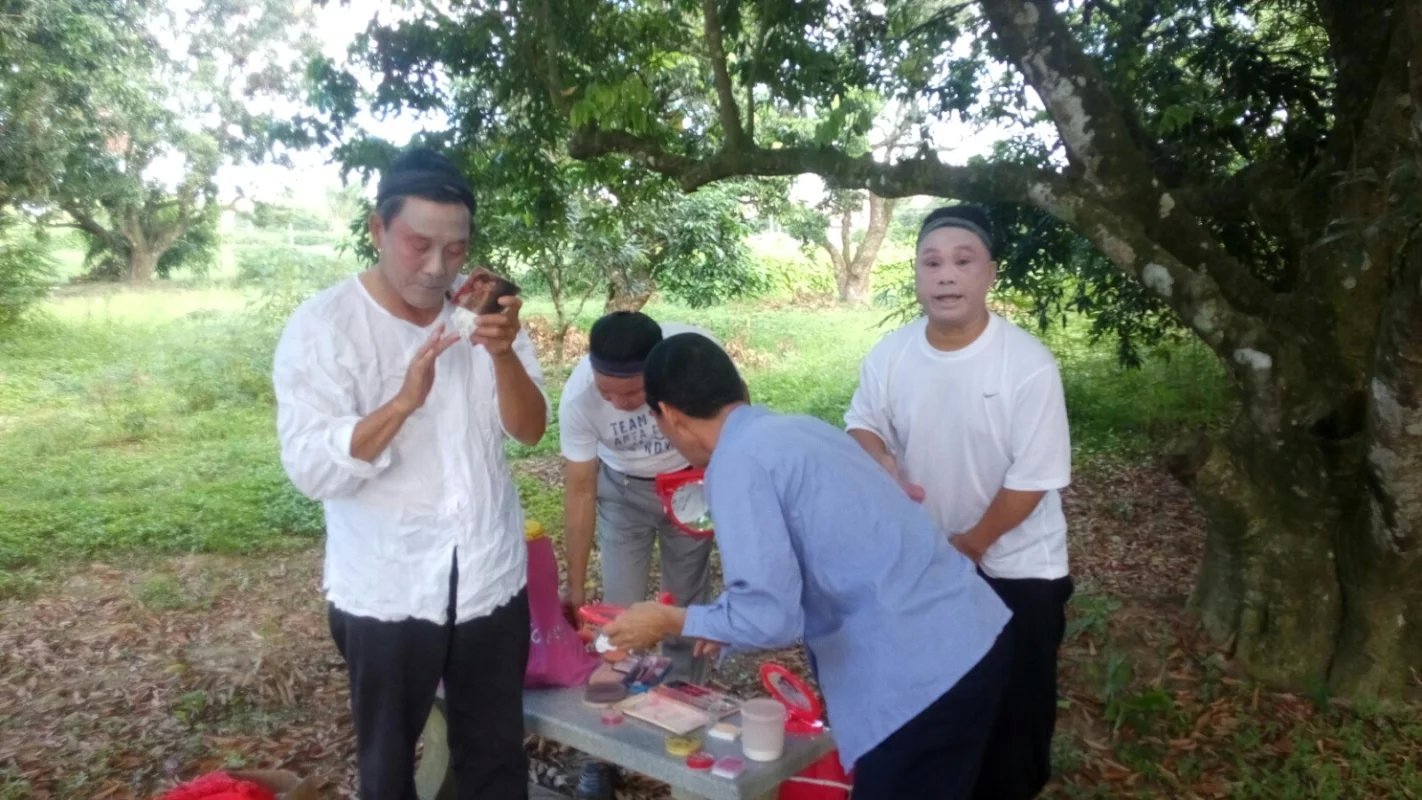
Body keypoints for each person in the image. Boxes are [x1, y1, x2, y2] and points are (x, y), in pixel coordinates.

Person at [603, 333, 1012, 799]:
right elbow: (816, 559)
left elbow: (770, 618)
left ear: (670, 415)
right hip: (973, 636)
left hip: (915, 677)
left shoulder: (736, 465)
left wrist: (670, 620)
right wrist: (721, 623)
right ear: (738, 388)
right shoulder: (801, 429)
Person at [272, 148, 547, 800]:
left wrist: (504, 355)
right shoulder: (325, 328)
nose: (436, 268)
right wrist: (401, 404)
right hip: (388, 588)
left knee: (495, 760)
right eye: (418, 245)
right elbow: (311, 469)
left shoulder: (483, 317)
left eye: (455, 250)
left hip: (488, 576)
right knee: (389, 769)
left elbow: (531, 429)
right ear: (377, 228)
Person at [845, 204, 1073, 800]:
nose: (946, 275)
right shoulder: (891, 355)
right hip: (928, 561)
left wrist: (971, 545)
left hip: (1018, 567)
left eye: (963, 261)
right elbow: (862, 423)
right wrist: (879, 458)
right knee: (937, 704)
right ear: (917, 276)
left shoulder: (1027, 364)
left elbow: (1035, 477)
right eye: (932, 263)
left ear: (989, 273)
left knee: (1015, 719)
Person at [557, 311, 717, 799]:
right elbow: (580, 490)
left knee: (684, 609)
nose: (620, 403)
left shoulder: (695, 358)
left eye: (632, 393)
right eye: (608, 393)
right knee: (618, 616)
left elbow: (733, 431)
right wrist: (575, 586)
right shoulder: (579, 398)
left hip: (691, 483)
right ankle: (604, 749)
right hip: (623, 492)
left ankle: (683, 729)